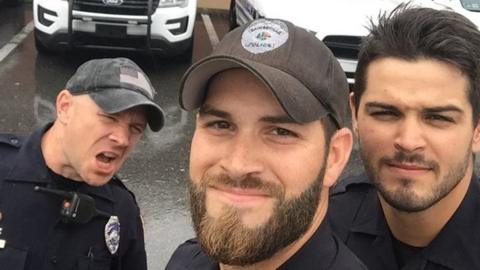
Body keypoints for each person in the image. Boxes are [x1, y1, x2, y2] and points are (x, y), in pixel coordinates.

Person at [165, 18, 367, 270]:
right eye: (220, 125)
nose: (238, 165)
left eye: (281, 132)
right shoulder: (185, 262)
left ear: (334, 157)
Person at [329, 5, 480, 270]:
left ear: (477, 129)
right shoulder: (318, 228)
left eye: (438, 118)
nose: (408, 141)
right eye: (386, 113)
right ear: (354, 114)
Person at [0, 57, 165, 270]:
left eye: (135, 128)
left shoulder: (121, 210)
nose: (122, 139)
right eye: (109, 117)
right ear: (65, 107)